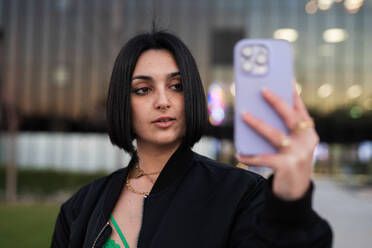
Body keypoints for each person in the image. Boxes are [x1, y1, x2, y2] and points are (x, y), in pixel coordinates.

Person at [51, 30, 332, 248]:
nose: (163, 101)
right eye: (143, 89)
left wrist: (291, 200)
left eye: (177, 86)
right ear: (122, 103)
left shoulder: (242, 193)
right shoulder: (81, 206)